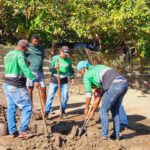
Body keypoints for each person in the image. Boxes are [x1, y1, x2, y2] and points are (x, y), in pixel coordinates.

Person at [77, 60, 128, 140]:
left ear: (83, 69)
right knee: (115, 110)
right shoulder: (97, 69)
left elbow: (88, 94)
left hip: (115, 84)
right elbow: (98, 98)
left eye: (80, 72)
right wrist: (92, 111)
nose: (81, 74)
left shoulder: (87, 75)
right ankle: (116, 135)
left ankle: (104, 135)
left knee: (103, 110)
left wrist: (86, 108)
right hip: (124, 83)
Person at [3, 40, 40, 138]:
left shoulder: (8, 54)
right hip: (16, 86)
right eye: (25, 49)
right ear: (23, 48)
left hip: (6, 85)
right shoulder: (19, 55)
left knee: (11, 108)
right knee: (27, 106)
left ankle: (12, 132)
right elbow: (24, 67)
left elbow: (14, 67)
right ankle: (22, 131)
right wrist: (34, 79)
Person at [45, 46, 74, 118]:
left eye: (67, 54)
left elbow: (70, 70)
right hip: (55, 79)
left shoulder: (68, 60)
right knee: (50, 96)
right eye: (65, 53)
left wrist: (72, 77)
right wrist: (54, 67)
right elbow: (50, 69)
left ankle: (63, 110)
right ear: (61, 52)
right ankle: (47, 112)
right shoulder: (55, 58)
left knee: (65, 96)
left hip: (64, 81)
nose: (66, 55)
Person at [25, 34, 46, 107]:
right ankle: (31, 106)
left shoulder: (41, 48)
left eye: (38, 41)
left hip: (40, 71)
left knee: (43, 88)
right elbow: (23, 56)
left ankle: (45, 106)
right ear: (32, 41)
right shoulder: (27, 47)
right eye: (35, 41)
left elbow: (42, 58)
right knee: (30, 89)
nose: (37, 43)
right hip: (31, 71)